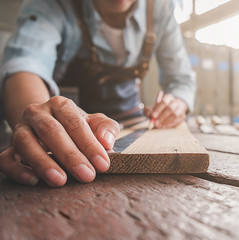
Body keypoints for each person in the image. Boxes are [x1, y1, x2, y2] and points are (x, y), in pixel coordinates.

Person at [0, 0, 195, 187]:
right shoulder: (55, 4)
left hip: (133, 120)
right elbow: (25, 63)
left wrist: (179, 102)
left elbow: (181, 80)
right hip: (73, 127)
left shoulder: (161, 6)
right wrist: (43, 123)